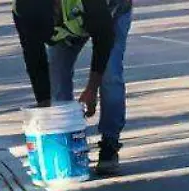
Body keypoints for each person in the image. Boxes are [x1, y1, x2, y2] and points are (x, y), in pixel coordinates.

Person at [47, 0, 133, 175]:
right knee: (56, 76)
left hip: (111, 12)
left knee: (110, 73)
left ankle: (110, 142)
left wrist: (91, 90)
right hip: (71, 19)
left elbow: (103, 41)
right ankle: (67, 144)